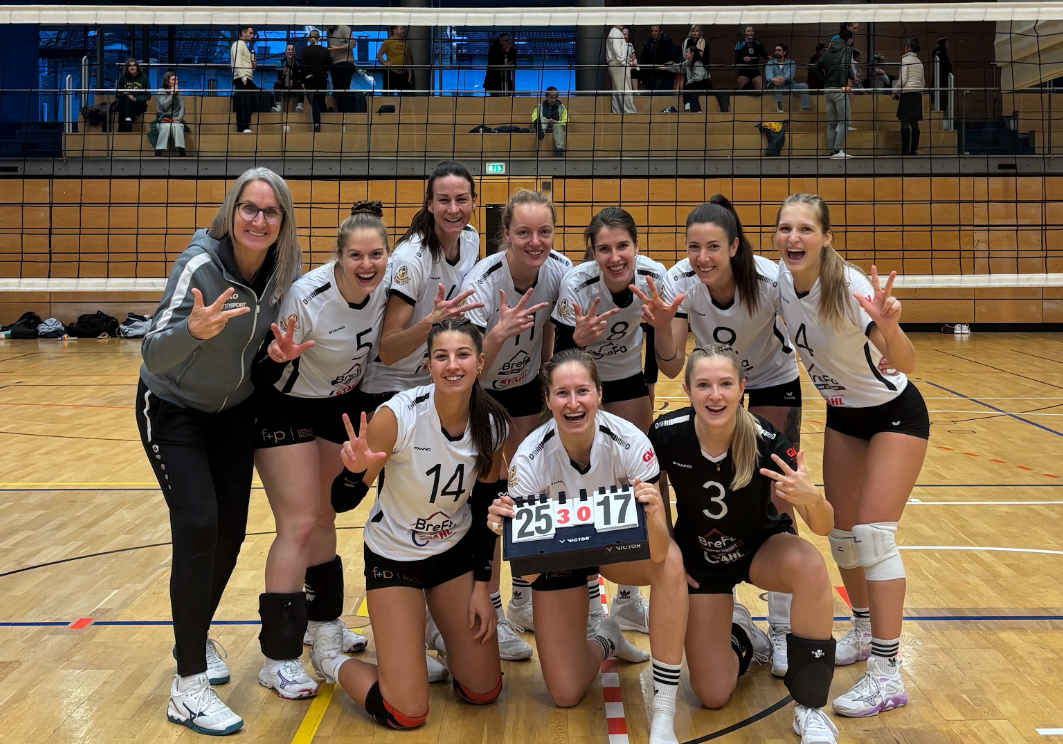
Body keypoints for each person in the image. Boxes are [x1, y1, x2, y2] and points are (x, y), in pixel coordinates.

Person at [136, 168, 302, 735]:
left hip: (234, 413)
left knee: (231, 529)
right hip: (173, 408)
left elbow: (256, 355)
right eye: (248, 208)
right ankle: (187, 687)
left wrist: (275, 359)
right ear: (231, 212)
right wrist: (193, 332)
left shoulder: (282, 271)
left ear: (282, 222)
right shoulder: (199, 265)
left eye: (270, 211)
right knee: (200, 524)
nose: (258, 220)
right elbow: (152, 352)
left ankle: (196, 634)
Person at [774, 193, 930, 718]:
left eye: (805, 229)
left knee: (873, 535)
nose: (794, 238)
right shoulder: (780, 280)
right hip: (844, 415)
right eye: (785, 228)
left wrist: (889, 324)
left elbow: (907, 361)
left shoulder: (847, 289)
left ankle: (887, 673)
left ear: (826, 238)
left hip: (893, 414)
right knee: (841, 535)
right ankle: (863, 632)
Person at [313, 319, 509, 729]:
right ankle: (330, 659)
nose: (452, 365)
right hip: (394, 558)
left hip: (453, 554)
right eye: (441, 356)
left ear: (480, 362)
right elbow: (341, 502)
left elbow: (487, 512)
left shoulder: (492, 424)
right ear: (428, 364)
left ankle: (437, 634)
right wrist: (352, 473)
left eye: (463, 355)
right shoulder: (397, 416)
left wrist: (482, 586)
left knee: (483, 690)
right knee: (406, 712)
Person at [487, 350, 688, 744]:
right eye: (562, 393)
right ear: (547, 400)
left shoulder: (632, 444)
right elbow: (530, 575)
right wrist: (506, 533)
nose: (573, 403)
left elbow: (660, 552)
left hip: (615, 554)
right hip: (559, 559)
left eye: (582, 391)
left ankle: (663, 710)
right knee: (565, 693)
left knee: (672, 564)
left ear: (599, 394)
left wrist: (654, 514)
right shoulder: (528, 459)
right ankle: (606, 637)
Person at [650, 344, 840, 744]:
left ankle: (809, 709)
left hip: (759, 550)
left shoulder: (766, 439)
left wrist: (812, 499)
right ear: (687, 390)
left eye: (725, 384)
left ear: (742, 388)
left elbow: (824, 526)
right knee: (712, 694)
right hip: (702, 562)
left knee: (809, 565)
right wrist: (671, 552)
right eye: (703, 385)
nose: (715, 395)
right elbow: (653, 500)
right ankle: (741, 634)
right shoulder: (666, 434)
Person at [249, 202, 394, 699]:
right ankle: (278, 657)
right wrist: (275, 357)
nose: (367, 265)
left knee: (327, 514)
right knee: (298, 523)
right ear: (338, 257)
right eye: (356, 255)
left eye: (376, 254)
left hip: (339, 404)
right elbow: (261, 375)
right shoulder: (306, 297)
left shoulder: (387, 287)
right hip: (284, 406)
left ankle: (324, 624)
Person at [666, 196, 802, 675]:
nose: (702, 258)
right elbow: (671, 366)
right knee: (718, 489)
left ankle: (782, 628)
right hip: (718, 385)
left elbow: (811, 324)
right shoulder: (680, 281)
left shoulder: (769, 280)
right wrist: (662, 327)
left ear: (735, 247)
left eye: (713, 247)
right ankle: (729, 602)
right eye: (694, 247)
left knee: (780, 493)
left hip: (771, 380)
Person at [551, 208, 685, 634]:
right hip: (582, 383)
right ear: (592, 252)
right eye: (604, 248)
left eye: (622, 246)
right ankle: (592, 598)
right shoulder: (577, 284)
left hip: (627, 379)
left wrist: (648, 387)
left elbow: (659, 349)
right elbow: (558, 356)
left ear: (636, 246)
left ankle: (628, 598)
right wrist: (577, 340)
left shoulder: (653, 276)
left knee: (637, 479)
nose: (614, 257)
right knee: (584, 482)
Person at [458, 190, 574, 639]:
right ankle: (489, 604)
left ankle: (523, 599)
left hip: (526, 389)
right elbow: (464, 364)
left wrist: (546, 382)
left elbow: (550, 327)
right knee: (491, 496)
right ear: (505, 234)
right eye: (524, 232)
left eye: (544, 231)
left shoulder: (559, 270)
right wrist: (498, 333)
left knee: (528, 489)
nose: (535, 241)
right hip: (481, 393)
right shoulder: (483, 281)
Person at [816, 29, 854, 159]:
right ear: (848, 39)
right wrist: (843, 84)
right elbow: (844, 66)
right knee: (845, 121)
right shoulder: (847, 49)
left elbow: (815, 66)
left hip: (828, 90)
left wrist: (824, 82)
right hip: (838, 90)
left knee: (831, 124)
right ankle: (837, 150)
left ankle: (832, 151)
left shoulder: (828, 51)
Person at [658, 46, 728, 115]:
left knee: (690, 87)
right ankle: (690, 107)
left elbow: (699, 77)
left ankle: (694, 109)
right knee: (690, 90)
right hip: (694, 83)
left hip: (704, 82)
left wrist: (689, 82)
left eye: (687, 52)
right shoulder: (687, 62)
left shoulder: (697, 63)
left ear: (692, 54)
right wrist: (665, 68)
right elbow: (678, 67)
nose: (685, 53)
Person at [895, 38, 925, 156]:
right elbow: (923, 81)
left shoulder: (905, 60)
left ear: (906, 48)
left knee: (904, 122)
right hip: (917, 94)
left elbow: (903, 79)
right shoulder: (920, 62)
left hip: (907, 93)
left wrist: (894, 92)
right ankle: (914, 150)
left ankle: (904, 151)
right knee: (915, 122)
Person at [230, 26, 259, 134]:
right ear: (243, 33)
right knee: (245, 103)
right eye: (250, 33)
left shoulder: (244, 46)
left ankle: (243, 126)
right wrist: (243, 77)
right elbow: (237, 61)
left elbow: (243, 63)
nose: (252, 35)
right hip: (242, 78)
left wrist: (252, 67)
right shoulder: (238, 44)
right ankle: (243, 127)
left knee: (249, 101)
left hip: (246, 77)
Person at [300, 30, 330, 133]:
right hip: (322, 80)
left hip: (310, 79)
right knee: (320, 101)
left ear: (309, 38)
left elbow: (303, 67)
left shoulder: (305, 50)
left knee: (315, 103)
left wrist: (302, 81)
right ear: (319, 38)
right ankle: (327, 114)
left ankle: (317, 125)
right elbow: (329, 65)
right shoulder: (325, 50)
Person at [767, 43, 810, 113]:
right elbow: (769, 74)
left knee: (804, 86)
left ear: (785, 52)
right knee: (777, 83)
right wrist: (773, 79)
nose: (777, 52)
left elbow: (790, 74)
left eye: (779, 50)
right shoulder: (770, 63)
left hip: (788, 85)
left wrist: (784, 79)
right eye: (776, 50)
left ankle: (805, 109)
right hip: (774, 86)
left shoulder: (791, 62)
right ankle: (780, 107)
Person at [152, 71, 186, 157]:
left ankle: (181, 150)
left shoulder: (179, 93)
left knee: (177, 126)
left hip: (175, 118)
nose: (176, 82)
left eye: (177, 80)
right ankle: (158, 150)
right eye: (173, 80)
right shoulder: (161, 91)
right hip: (162, 119)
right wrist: (171, 94)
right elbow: (164, 107)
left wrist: (179, 118)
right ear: (167, 81)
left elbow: (182, 108)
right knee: (166, 126)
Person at [606, 25, 637, 114]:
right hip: (619, 64)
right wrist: (624, 63)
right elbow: (617, 51)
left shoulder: (613, 32)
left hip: (616, 64)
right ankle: (630, 113)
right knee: (625, 89)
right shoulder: (616, 33)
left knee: (617, 90)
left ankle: (617, 112)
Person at [115, 58, 150, 133]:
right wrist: (127, 94)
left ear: (137, 67)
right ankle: (127, 120)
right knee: (125, 100)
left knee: (127, 106)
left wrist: (135, 98)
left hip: (139, 103)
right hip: (125, 103)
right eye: (130, 66)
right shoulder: (122, 78)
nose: (132, 67)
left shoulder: (144, 78)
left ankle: (125, 121)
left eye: (134, 65)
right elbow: (118, 94)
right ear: (127, 68)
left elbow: (148, 95)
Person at [641, 25, 677, 93]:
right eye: (652, 31)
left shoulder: (667, 41)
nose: (654, 33)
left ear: (660, 32)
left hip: (663, 74)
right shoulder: (648, 44)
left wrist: (672, 61)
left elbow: (674, 53)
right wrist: (642, 77)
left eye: (656, 31)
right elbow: (643, 60)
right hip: (650, 74)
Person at [532, 87, 568, 156]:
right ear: (546, 97)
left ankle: (559, 151)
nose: (553, 100)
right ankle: (540, 133)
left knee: (557, 125)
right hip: (543, 126)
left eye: (555, 97)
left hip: (556, 127)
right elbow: (534, 119)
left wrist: (555, 122)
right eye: (551, 97)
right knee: (542, 119)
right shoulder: (540, 107)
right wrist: (547, 121)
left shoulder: (561, 107)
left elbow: (565, 121)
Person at [377, 25, 413, 94]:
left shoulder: (406, 43)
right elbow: (379, 55)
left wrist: (410, 73)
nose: (403, 31)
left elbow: (408, 59)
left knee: (405, 96)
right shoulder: (388, 42)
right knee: (388, 96)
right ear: (395, 31)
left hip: (403, 73)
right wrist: (385, 63)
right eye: (401, 29)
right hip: (391, 73)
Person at [734, 26, 768, 91]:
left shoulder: (757, 43)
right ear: (745, 33)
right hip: (743, 71)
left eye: (752, 31)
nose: (750, 32)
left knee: (762, 90)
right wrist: (743, 59)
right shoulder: (740, 43)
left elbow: (764, 54)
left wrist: (769, 57)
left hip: (755, 71)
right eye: (748, 31)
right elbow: (737, 60)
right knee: (744, 91)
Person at [327, 24, 355, 96]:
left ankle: (346, 103)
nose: (328, 26)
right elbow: (330, 47)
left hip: (345, 63)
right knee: (336, 91)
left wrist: (337, 48)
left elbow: (352, 44)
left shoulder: (344, 28)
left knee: (343, 90)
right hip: (334, 64)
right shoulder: (328, 32)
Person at [273, 44, 302, 113]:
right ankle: (279, 107)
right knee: (276, 84)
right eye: (288, 50)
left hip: (294, 84)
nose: (290, 51)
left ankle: (300, 106)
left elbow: (300, 76)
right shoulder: (280, 62)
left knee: (299, 84)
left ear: (294, 52)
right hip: (284, 84)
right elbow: (279, 77)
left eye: (292, 50)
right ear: (285, 51)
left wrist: (293, 81)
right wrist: (283, 73)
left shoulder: (298, 62)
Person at [931, 38, 952, 110]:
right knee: (942, 106)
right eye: (947, 43)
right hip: (942, 85)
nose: (949, 45)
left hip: (941, 85)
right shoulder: (941, 55)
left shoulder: (939, 54)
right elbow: (945, 69)